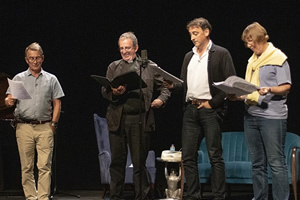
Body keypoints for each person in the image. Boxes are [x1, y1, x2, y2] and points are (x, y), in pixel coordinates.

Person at [164, 17, 236, 200]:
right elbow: (183, 83)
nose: (192, 38)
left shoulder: (221, 53)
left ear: (206, 32)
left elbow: (231, 83)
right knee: (188, 156)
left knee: (214, 155)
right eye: (190, 34)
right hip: (190, 109)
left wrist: (212, 103)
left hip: (210, 109)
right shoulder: (189, 56)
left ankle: (219, 196)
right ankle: (193, 196)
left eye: (195, 34)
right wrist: (173, 85)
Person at [101, 32, 170, 200]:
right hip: (118, 119)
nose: (125, 52)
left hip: (140, 119)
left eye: (128, 48)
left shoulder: (149, 66)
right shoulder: (113, 67)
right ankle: (116, 196)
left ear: (136, 48)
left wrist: (161, 100)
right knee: (117, 162)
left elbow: (167, 86)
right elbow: (105, 90)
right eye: (122, 48)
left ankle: (142, 196)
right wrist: (115, 92)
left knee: (139, 163)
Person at [228, 22, 291, 200]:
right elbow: (252, 90)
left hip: (272, 117)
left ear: (261, 38)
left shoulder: (278, 58)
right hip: (251, 115)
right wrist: (238, 96)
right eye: (246, 42)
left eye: (251, 41)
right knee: (257, 164)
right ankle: (260, 197)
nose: (249, 45)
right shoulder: (253, 61)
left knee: (276, 163)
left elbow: (286, 86)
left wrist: (269, 89)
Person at [5, 42, 64, 200]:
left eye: (37, 58)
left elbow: (57, 103)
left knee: (45, 166)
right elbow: (9, 99)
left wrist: (53, 124)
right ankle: (31, 197)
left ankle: (43, 197)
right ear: (26, 60)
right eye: (31, 58)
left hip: (45, 126)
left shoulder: (51, 79)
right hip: (24, 127)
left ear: (42, 58)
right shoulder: (19, 78)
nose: (35, 61)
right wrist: (8, 101)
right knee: (27, 167)